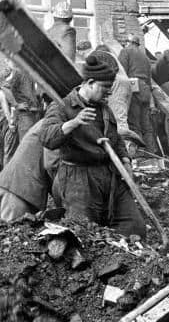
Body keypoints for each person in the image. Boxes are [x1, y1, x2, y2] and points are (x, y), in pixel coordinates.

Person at [41, 51, 146, 238]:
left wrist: (126, 162)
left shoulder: (105, 109)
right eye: (105, 87)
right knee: (85, 233)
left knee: (134, 226)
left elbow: (117, 141)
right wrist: (74, 123)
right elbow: (47, 138)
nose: (109, 92)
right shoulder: (62, 106)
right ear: (89, 83)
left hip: (110, 176)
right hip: (78, 180)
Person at [0, 61, 42, 162]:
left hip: (35, 114)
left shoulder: (32, 74)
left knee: (34, 146)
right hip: (26, 115)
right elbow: (5, 88)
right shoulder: (19, 72)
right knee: (27, 147)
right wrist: (16, 105)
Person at [119, 33, 156, 153]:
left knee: (134, 123)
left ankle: (140, 153)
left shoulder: (126, 51)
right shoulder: (145, 57)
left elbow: (121, 72)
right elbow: (150, 79)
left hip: (133, 87)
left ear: (128, 42)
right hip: (145, 89)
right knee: (146, 125)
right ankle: (151, 151)